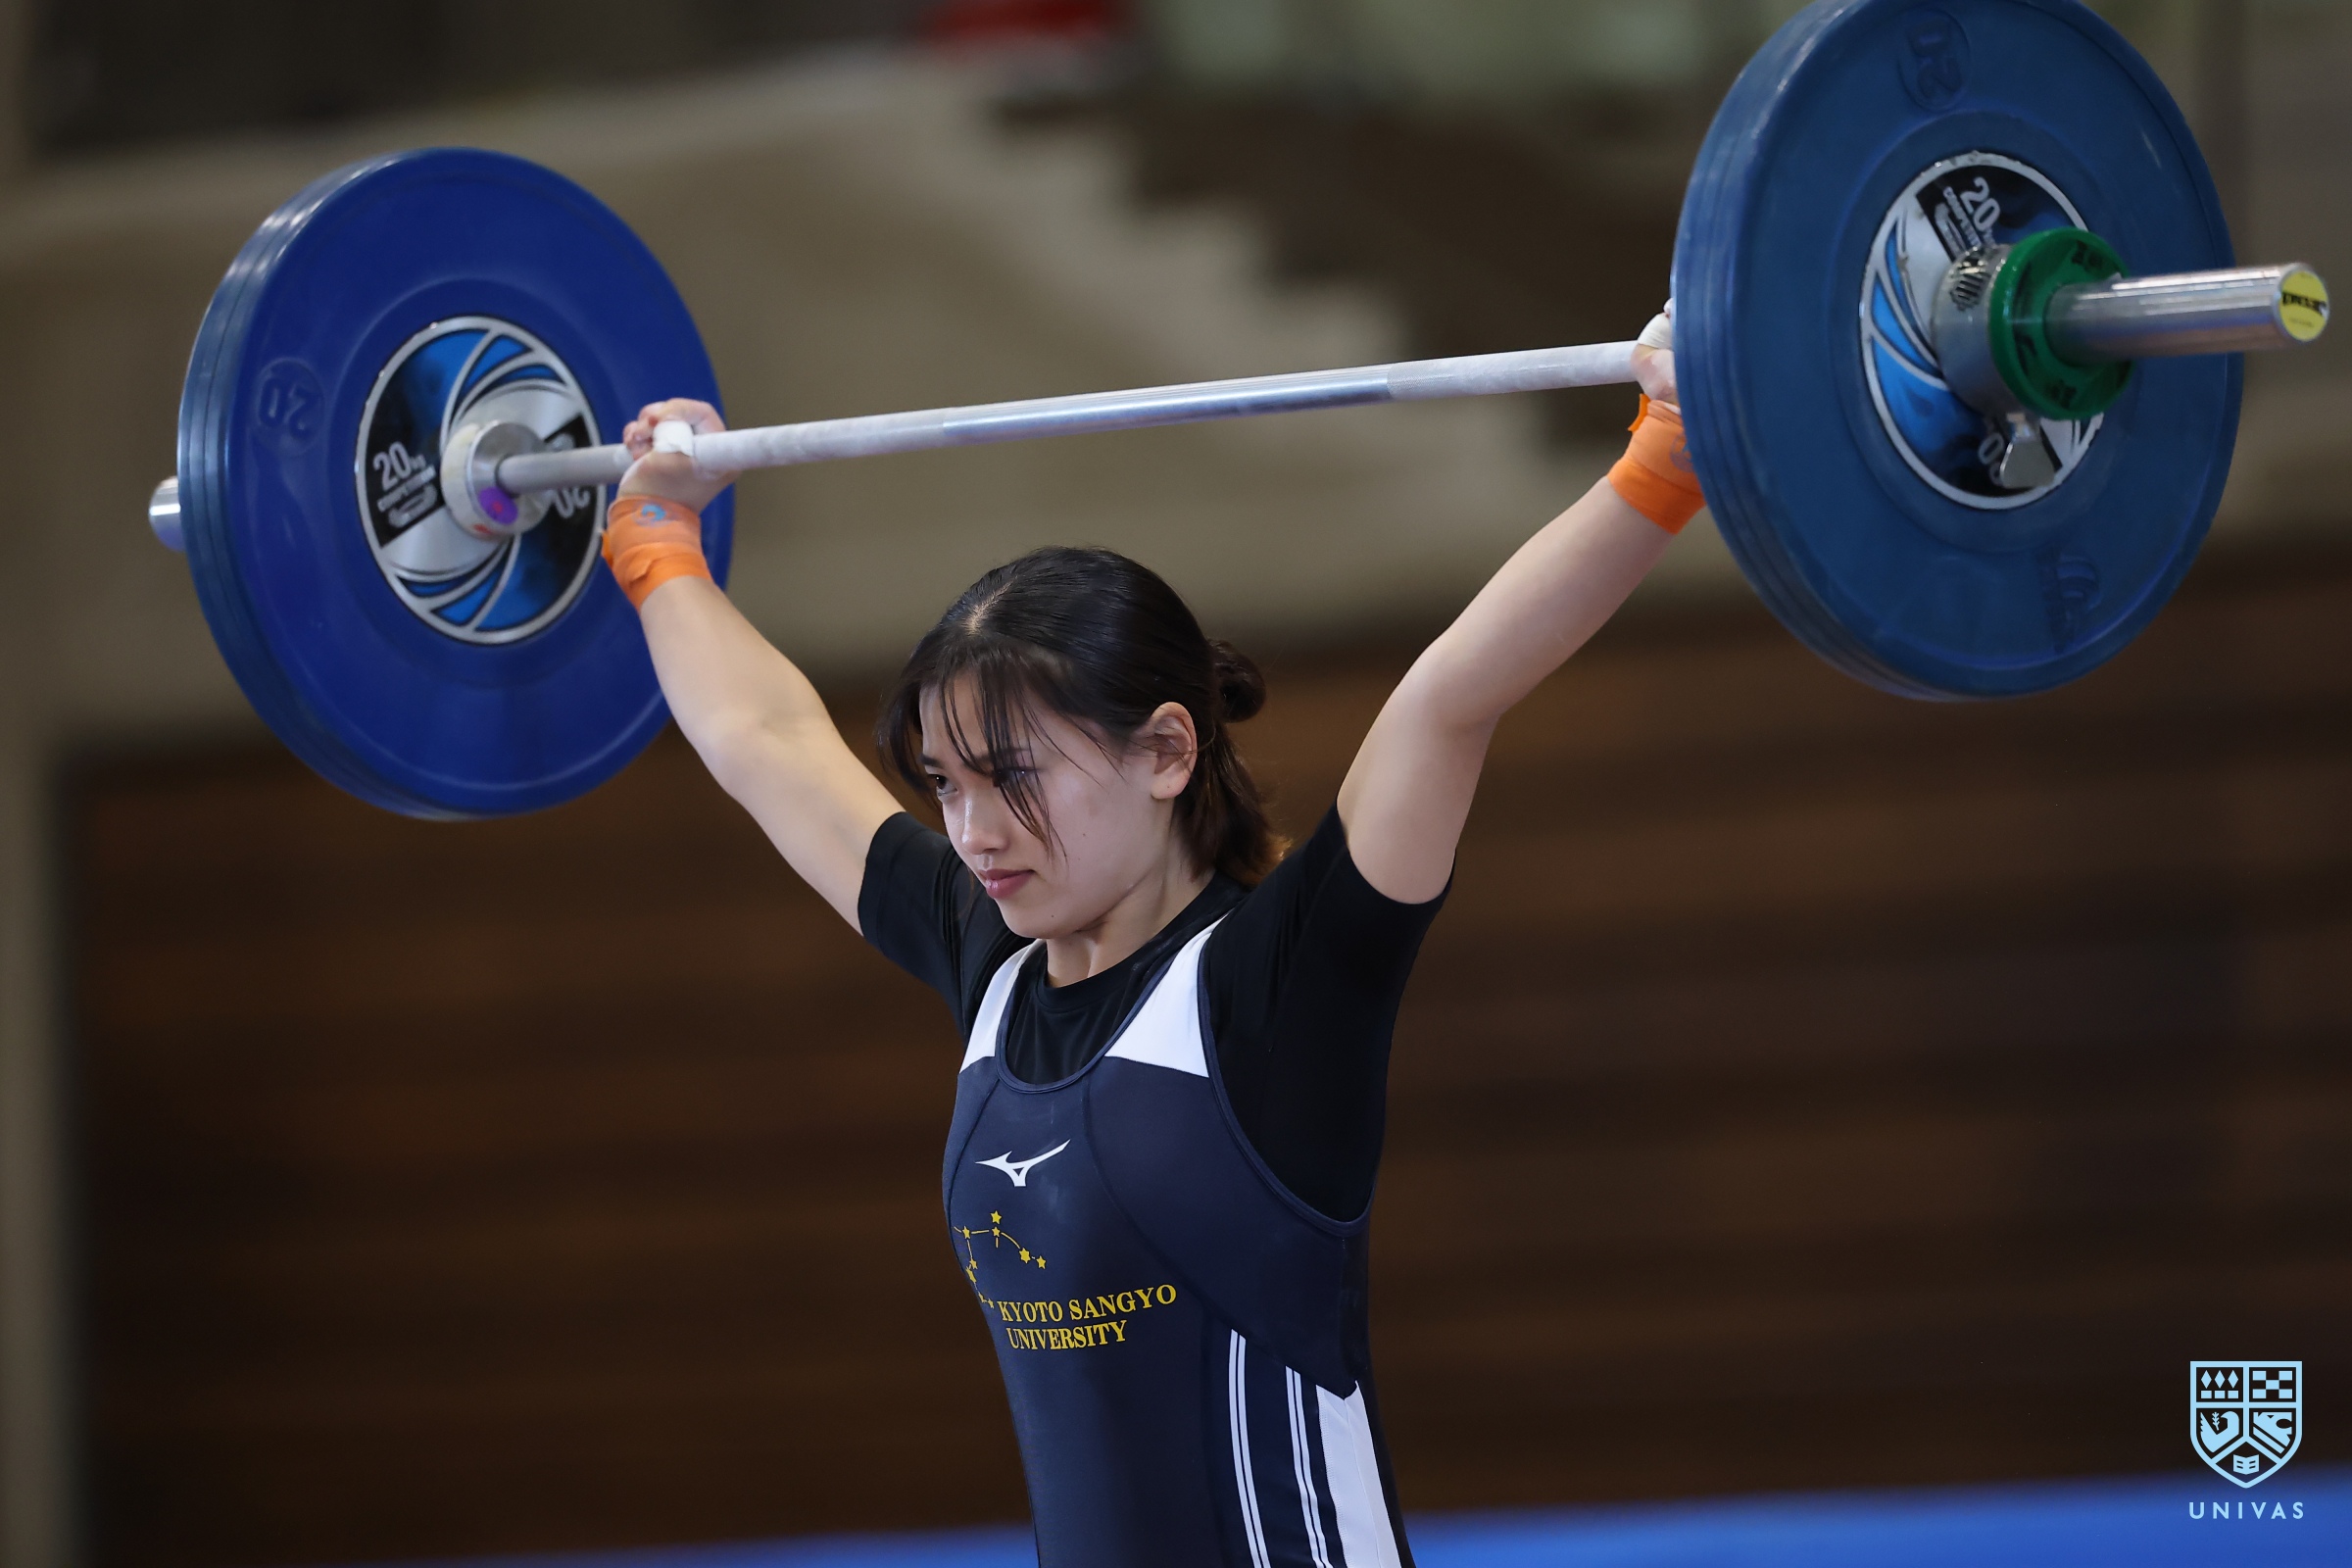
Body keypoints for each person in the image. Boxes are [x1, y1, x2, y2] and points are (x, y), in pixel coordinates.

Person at [597, 312, 1695, 1568]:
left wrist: (1671, 452)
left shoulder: (1278, 985)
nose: (971, 832)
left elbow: (1448, 700)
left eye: (1013, 777)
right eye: (944, 783)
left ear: (1166, 750)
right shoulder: (991, 962)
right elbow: (766, 740)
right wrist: (655, 536)